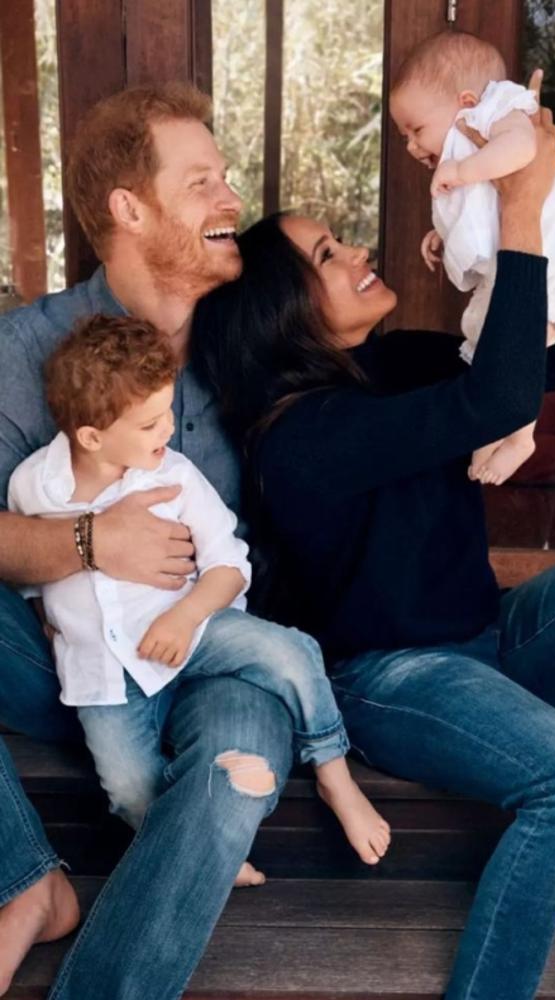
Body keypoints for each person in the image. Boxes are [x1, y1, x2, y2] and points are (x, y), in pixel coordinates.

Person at [192, 89, 555, 1000]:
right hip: (396, 681)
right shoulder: (300, 438)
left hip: (489, 643)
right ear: (284, 312)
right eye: (329, 253)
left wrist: (498, 260)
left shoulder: (387, 366)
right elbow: (492, 404)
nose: (358, 251)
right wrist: (515, 207)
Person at [1, 82, 312, 1000]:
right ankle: (24, 883)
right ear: (129, 209)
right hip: (75, 670)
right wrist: (95, 542)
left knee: (233, 772)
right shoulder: (24, 352)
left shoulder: (246, 342)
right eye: (203, 181)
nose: (230, 202)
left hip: (217, 660)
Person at [8, 313, 390, 863]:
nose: (167, 430)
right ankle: (189, 849)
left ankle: (333, 773)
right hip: (104, 673)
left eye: (167, 412)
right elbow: (30, 570)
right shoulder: (33, 486)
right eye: (148, 424)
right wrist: (48, 615)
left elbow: (230, 565)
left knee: (292, 653)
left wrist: (184, 618)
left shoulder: (175, 476)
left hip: (196, 625)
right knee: (126, 786)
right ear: (91, 436)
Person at [389, 31, 555, 485]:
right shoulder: (470, 145)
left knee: (520, 346)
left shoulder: (501, 111)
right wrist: (442, 234)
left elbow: (522, 150)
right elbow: (484, 211)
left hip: (545, 263)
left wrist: (462, 169)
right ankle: (497, 427)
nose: (413, 146)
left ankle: (520, 435)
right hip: (511, 265)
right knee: (488, 343)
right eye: (404, 137)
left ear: (467, 101)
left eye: (416, 130)